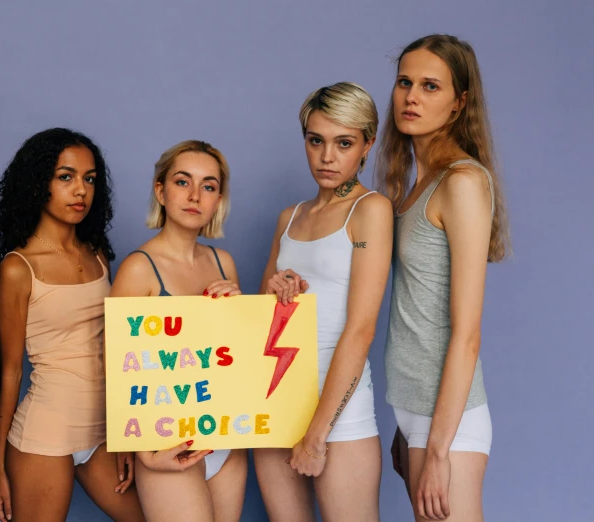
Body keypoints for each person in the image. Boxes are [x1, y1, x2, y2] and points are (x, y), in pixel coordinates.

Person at [379, 34, 510, 522]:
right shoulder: (419, 184)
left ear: (459, 105)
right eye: (404, 82)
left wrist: (437, 448)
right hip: (417, 410)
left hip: (447, 422)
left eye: (431, 86)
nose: (412, 96)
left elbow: (467, 334)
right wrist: (406, 422)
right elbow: (415, 306)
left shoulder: (463, 182)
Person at [0, 128, 144, 522]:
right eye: (66, 177)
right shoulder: (17, 268)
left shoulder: (98, 256)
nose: (81, 191)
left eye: (89, 179)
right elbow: (9, 371)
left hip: (102, 431)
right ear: (38, 183)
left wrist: (127, 432)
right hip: (45, 433)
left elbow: (117, 347)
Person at [254, 83, 392, 521]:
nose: (327, 157)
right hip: (276, 402)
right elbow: (260, 322)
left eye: (344, 143)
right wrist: (275, 289)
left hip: (340, 415)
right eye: (316, 141)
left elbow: (362, 328)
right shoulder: (289, 218)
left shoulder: (370, 210)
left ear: (368, 144)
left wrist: (317, 434)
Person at [109, 140, 247, 522]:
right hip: (166, 442)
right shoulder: (139, 268)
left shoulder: (224, 263)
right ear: (161, 190)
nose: (194, 195)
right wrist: (140, 450)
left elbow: (235, 362)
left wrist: (241, 312)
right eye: (182, 182)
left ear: (218, 199)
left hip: (224, 440)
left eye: (208, 186)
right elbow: (115, 365)